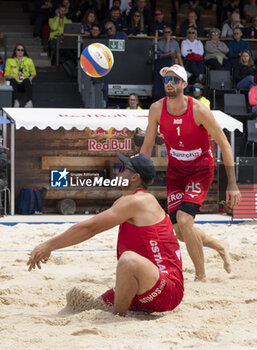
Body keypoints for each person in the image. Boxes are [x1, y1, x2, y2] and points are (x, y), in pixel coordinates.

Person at [27, 153, 184, 316]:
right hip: (139, 285)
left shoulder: (138, 201)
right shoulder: (127, 201)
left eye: (123, 168)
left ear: (135, 178)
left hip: (166, 289)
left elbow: (89, 229)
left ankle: (116, 319)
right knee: (85, 306)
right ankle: (117, 313)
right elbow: (91, 227)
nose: (118, 172)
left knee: (128, 260)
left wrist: (48, 246)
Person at [140, 64, 241, 281]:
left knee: (185, 221)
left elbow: (224, 144)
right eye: (167, 79)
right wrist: (139, 174)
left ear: (184, 85)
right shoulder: (157, 109)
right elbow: (147, 145)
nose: (169, 83)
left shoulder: (198, 110)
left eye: (175, 79)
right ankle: (219, 245)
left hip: (200, 169)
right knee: (179, 230)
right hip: (176, 171)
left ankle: (200, 277)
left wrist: (232, 183)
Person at [4, 43, 36, 108]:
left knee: (27, 80)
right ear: (15, 51)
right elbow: (6, 75)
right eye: (18, 50)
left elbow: (33, 72)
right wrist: (10, 77)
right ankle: (16, 102)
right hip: (14, 83)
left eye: (22, 50)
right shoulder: (9, 61)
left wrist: (31, 78)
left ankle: (29, 102)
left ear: (24, 51)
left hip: (24, 83)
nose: (20, 51)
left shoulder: (29, 60)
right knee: (12, 81)